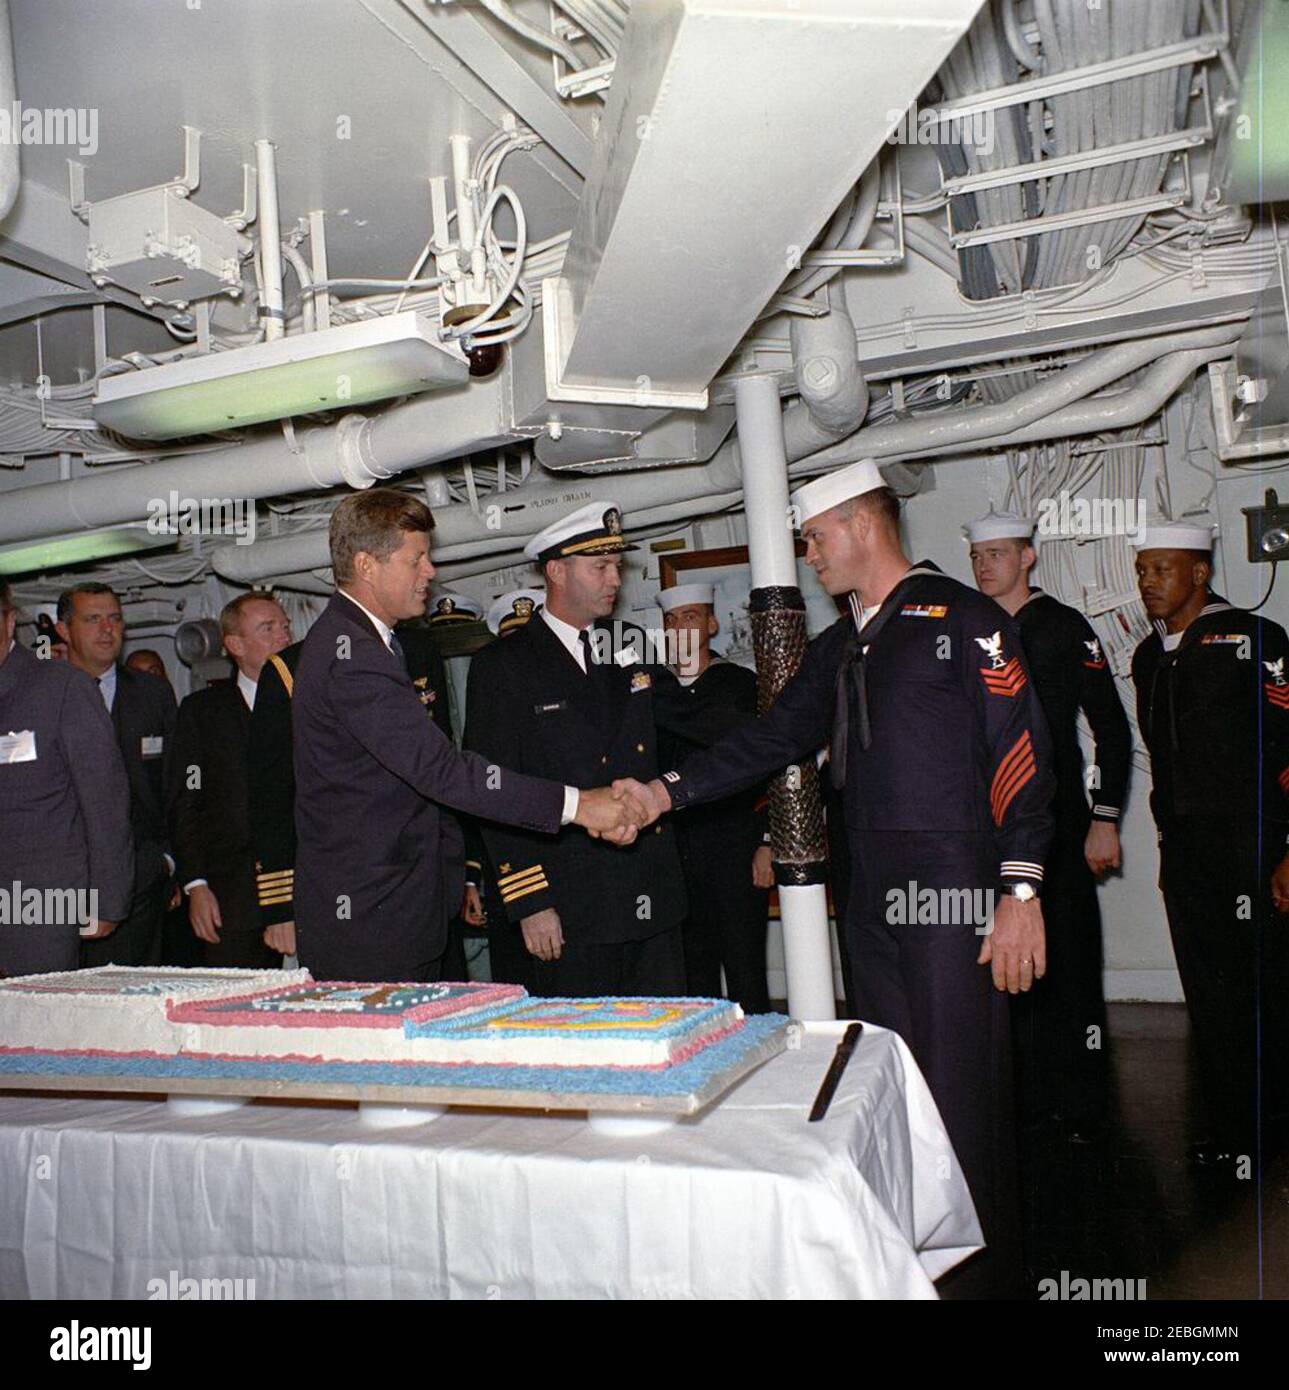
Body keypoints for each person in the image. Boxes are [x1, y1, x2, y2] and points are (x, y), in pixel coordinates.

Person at [619, 459, 1056, 1297]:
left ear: (861, 525)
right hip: (871, 887)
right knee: (894, 1091)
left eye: (815, 538)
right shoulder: (842, 644)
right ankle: (913, 1267)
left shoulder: (963, 621)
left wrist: (1019, 892)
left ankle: (985, 1282)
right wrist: (663, 793)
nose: (809, 556)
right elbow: (772, 740)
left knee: (958, 1093)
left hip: (953, 884)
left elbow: (1021, 758)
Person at [291, 488, 641, 982]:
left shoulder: (371, 643)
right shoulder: (351, 657)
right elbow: (440, 771)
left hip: (402, 910)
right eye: (416, 560)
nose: (430, 572)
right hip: (371, 921)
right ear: (367, 565)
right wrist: (581, 806)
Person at [464, 502, 692, 998]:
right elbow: (493, 786)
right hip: (569, 903)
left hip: (648, 890)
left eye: (617, 566)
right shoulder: (503, 666)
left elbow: (686, 725)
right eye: (600, 567)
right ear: (556, 571)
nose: (615, 579)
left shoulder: (629, 644)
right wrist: (529, 900)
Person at [1131, 520, 1289, 1173]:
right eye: (1141, 570)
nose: (1146, 583)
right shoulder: (1147, 656)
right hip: (1185, 848)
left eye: (1160, 569)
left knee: (1265, 988)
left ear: (1198, 573)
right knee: (1209, 994)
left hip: (1251, 842)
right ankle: (1235, 1126)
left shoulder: (1255, 640)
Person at [967, 510, 1131, 1138]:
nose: (986, 566)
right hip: (990, 824)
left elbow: (1110, 730)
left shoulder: (1062, 627)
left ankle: (1084, 1103)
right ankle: (1022, 1101)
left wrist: (1105, 818)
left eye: (999, 554)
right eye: (978, 556)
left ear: (1028, 557)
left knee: (1066, 958)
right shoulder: (974, 628)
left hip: (1058, 821)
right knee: (1003, 961)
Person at [247, 619, 473, 964]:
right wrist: (279, 907)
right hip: (352, 887)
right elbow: (272, 792)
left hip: (430, 878)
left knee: (447, 1006)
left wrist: (462, 869)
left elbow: (443, 766)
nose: (426, 573)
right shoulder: (293, 667)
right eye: (412, 563)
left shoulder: (418, 649)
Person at [0, 580, 134, 975]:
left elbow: (105, 800)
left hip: (38, 904)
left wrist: (107, 900)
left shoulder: (59, 686)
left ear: (9, 623)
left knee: (35, 1028)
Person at [657, 582, 772, 1012]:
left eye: (690, 616)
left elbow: (767, 767)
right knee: (692, 978)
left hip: (735, 844)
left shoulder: (740, 686)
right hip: (676, 850)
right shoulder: (654, 689)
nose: (680, 626)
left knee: (746, 973)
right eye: (671, 619)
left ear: (712, 623)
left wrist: (767, 841)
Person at [168, 593, 294, 967]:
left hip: (306, 887)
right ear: (235, 645)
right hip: (233, 897)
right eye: (267, 628)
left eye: (285, 626)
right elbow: (186, 802)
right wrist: (197, 884)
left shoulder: (311, 705)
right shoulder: (203, 713)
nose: (283, 636)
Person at [57, 582, 177, 967]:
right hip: (64, 881)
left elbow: (176, 784)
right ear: (64, 630)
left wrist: (170, 862)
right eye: (93, 619)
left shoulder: (152, 694)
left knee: (135, 1003)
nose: (107, 629)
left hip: (142, 877)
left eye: (114, 619)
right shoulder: (44, 694)